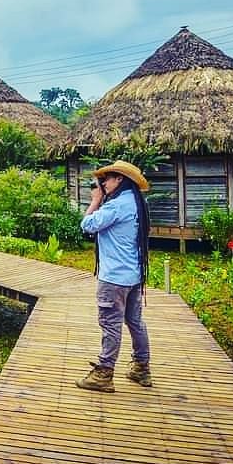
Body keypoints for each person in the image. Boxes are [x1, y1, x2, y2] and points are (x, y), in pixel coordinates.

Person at [76, 160, 152, 393]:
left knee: (110, 324)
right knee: (135, 322)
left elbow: (87, 225)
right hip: (133, 276)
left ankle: (104, 373)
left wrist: (95, 200)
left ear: (119, 179)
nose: (103, 184)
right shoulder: (136, 203)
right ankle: (141, 368)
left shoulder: (116, 206)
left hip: (114, 279)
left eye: (105, 179)